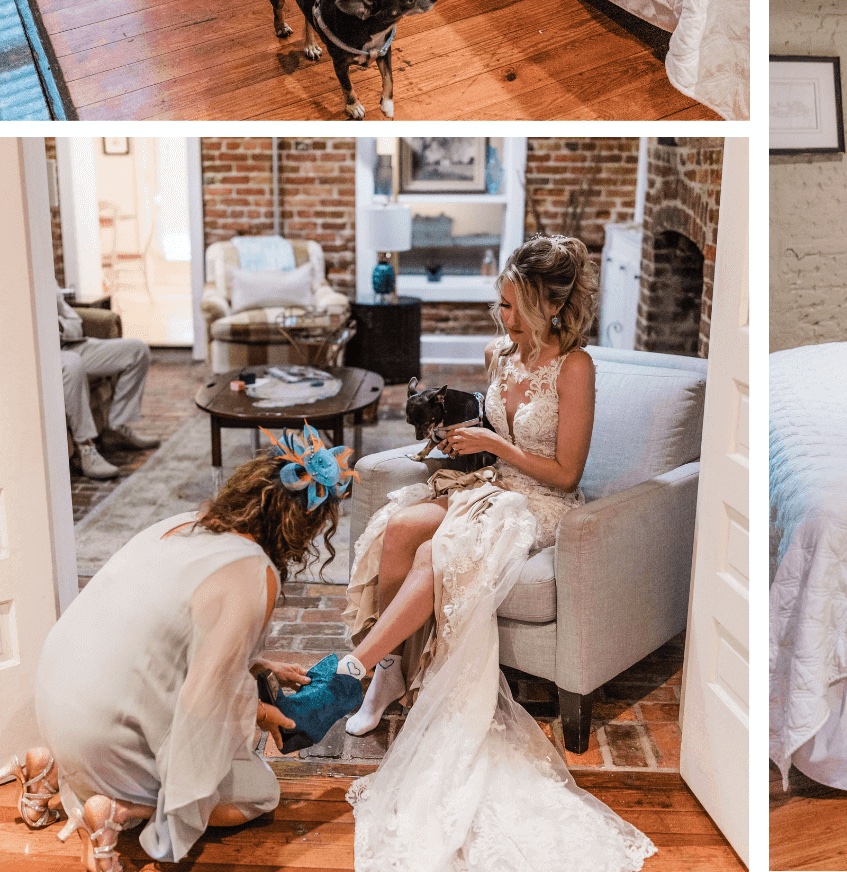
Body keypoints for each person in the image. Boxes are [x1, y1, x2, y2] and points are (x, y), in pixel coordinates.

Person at [338, 234, 653, 871]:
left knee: (437, 554)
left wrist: (496, 443)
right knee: (399, 529)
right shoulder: (499, 355)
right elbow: (491, 442)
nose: (501, 319)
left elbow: (564, 474)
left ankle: (354, 668)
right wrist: (459, 438)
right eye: (499, 304)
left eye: (512, 307)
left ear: (548, 307)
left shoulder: (576, 369)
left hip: (537, 504)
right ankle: (393, 671)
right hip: (489, 483)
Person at [19, 430, 354, 871]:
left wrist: (259, 664)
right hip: (106, 730)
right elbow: (206, 699)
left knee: (197, 741)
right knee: (257, 792)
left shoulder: (182, 524)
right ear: (304, 527)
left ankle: (55, 767)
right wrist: (266, 714)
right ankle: (120, 809)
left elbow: (158, 636)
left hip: (57, 697)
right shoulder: (254, 572)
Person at [56, 290, 159, 482]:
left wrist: (59, 327)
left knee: (137, 350)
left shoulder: (44, 278)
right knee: (72, 364)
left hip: (69, 344)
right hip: (42, 354)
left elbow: (75, 321)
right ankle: (85, 447)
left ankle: (116, 426)